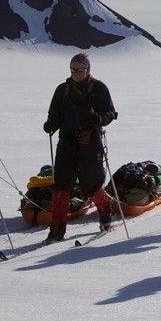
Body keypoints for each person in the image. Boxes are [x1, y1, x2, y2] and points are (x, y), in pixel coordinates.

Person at [41, 52, 116, 242]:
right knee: (60, 187)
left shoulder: (99, 88)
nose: (76, 73)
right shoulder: (62, 90)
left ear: (87, 70)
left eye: (80, 70)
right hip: (66, 142)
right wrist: (51, 124)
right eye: (73, 69)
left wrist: (99, 119)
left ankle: (105, 209)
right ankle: (57, 229)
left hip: (90, 143)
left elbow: (111, 113)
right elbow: (55, 114)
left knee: (91, 185)